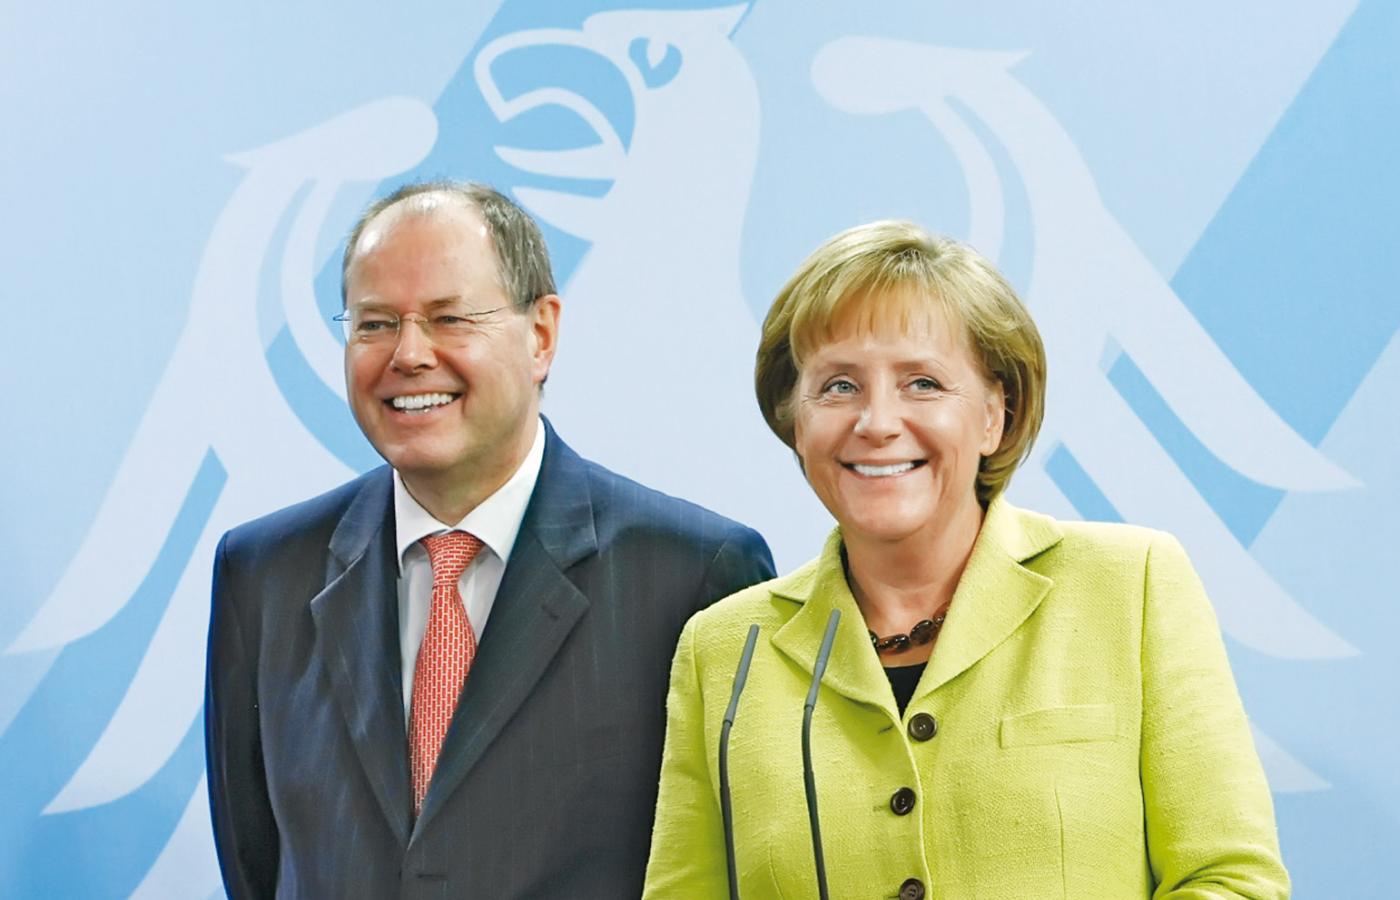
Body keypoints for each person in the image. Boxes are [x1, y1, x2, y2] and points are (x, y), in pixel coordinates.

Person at [643, 221, 1289, 898]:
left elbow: (1232, 879)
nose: (877, 422)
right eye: (839, 386)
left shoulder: (1132, 585)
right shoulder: (722, 651)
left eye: (922, 382)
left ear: (993, 416)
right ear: (795, 422)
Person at [205, 181, 775, 899]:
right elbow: (254, 862)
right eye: (375, 323)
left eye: (449, 318)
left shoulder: (693, 574)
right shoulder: (263, 573)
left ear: (541, 335)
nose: (409, 354)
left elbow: (743, 863)